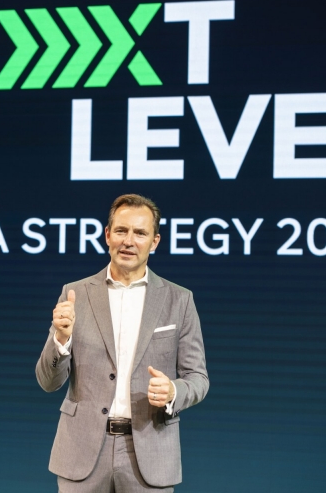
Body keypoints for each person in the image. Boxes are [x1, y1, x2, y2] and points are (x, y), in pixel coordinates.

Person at [36, 194, 209, 492]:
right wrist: (60, 339)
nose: (129, 241)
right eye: (121, 231)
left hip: (150, 454)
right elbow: (48, 382)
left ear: (154, 242)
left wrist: (173, 391)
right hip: (81, 452)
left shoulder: (179, 300)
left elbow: (198, 378)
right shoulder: (75, 294)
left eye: (140, 233)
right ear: (107, 235)